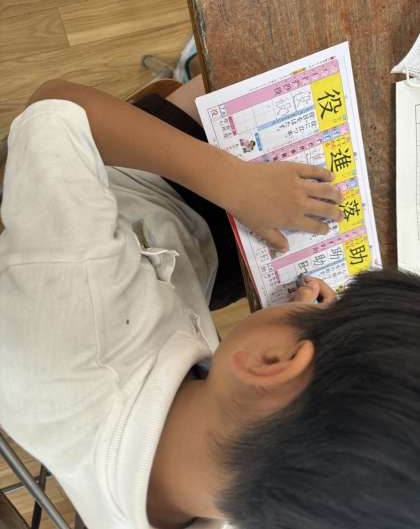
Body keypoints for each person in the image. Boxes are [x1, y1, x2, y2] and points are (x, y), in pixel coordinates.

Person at [0, 76, 419, 529]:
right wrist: (285, 336)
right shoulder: (228, 486)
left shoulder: (77, 287)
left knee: (244, 74)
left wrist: (233, 182)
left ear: (268, 360)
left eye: (328, 317)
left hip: (128, 186)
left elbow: (55, 108)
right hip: (188, 271)